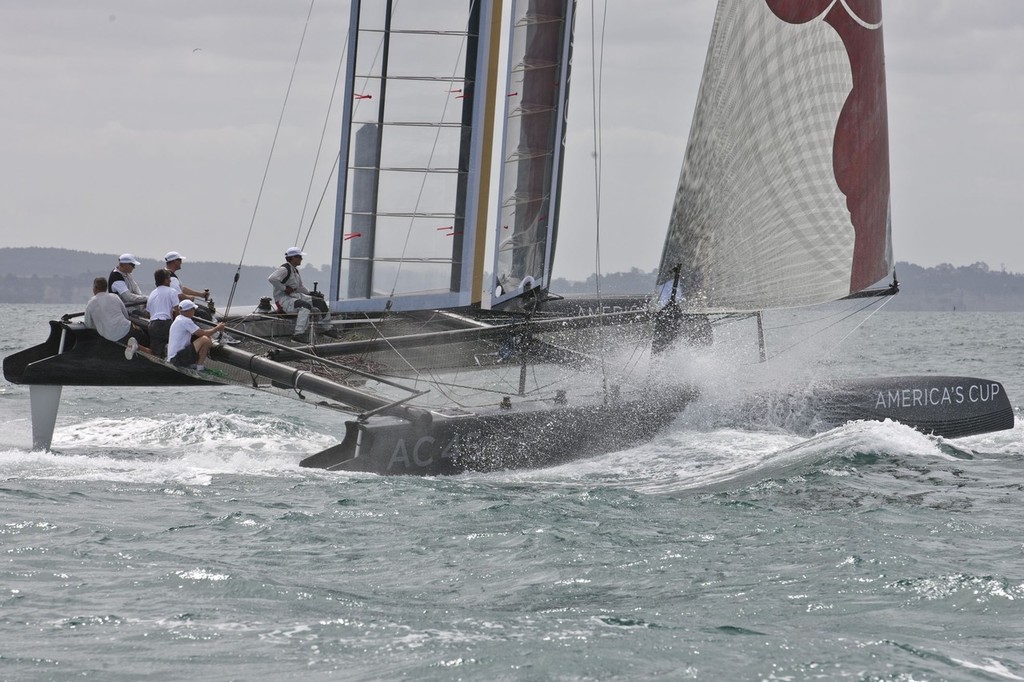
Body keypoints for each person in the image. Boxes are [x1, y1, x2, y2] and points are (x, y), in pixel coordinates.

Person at [268, 246, 339, 342]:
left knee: (320, 302)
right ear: (293, 257)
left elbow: (300, 287)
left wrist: (311, 293)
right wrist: (284, 288)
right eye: (300, 257)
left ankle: (328, 329)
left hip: (294, 296)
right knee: (304, 306)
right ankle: (298, 334)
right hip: (284, 300)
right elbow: (272, 278)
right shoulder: (284, 269)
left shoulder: (294, 270)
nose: (302, 259)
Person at [83, 277, 150, 352]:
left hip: (113, 337)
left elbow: (88, 324)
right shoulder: (115, 297)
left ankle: (137, 347)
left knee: (128, 340)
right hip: (128, 329)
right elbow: (126, 316)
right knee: (145, 338)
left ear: (95, 288)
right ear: (105, 288)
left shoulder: (90, 303)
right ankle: (150, 350)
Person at [167, 299, 225, 372]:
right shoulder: (185, 321)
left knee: (205, 339)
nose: (194, 311)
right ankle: (199, 368)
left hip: (174, 357)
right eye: (193, 309)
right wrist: (217, 328)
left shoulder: (179, 319)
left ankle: (198, 365)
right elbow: (203, 333)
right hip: (177, 358)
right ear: (189, 311)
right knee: (205, 339)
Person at [163, 251, 214, 321]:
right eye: (180, 260)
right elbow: (178, 295)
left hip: (179, 305)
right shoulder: (172, 278)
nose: (181, 262)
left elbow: (182, 288)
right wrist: (189, 298)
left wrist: (200, 294)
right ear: (175, 261)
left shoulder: (169, 274)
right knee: (203, 313)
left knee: (205, 310)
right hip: (178, 308)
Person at [146, 268, 179, 358]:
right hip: (165, 324)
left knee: (156, 353)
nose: (170, 280)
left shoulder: (152, 294)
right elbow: (177, 311)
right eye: (169, 278)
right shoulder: (172, 291)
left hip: (152, 325)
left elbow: (148, 313)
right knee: (180, 340)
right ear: (165, 280)